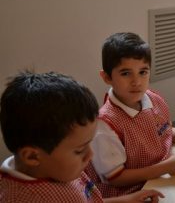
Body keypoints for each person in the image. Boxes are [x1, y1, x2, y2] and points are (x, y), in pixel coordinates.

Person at [0, 71, 164, 202]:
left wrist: (126, 200)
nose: (90, 155)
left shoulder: (56, 169)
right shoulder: (24, 197)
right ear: (32, 156)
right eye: (79, 150)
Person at [85, 32, 175, 198]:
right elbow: (115, 178)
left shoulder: (152, 98)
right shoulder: (105, 125)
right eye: (125, 73)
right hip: (130, 191)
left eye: (143, 72)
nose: (136, 81)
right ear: (107, 77)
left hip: (161, 172)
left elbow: (160, 131)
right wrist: (166, 167)